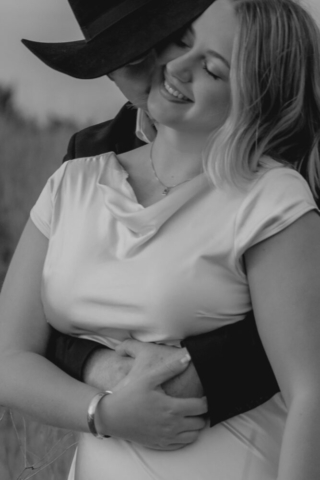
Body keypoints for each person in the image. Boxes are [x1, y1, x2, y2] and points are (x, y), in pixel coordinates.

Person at [1, 0, 320, 479]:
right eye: (182, 41)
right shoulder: (77, 176)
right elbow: (8, 354)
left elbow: (310, 387)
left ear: (254, 96)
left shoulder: (273, 194)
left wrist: (195, 371)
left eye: (212, 68)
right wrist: (103, 408)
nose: (175, 66)